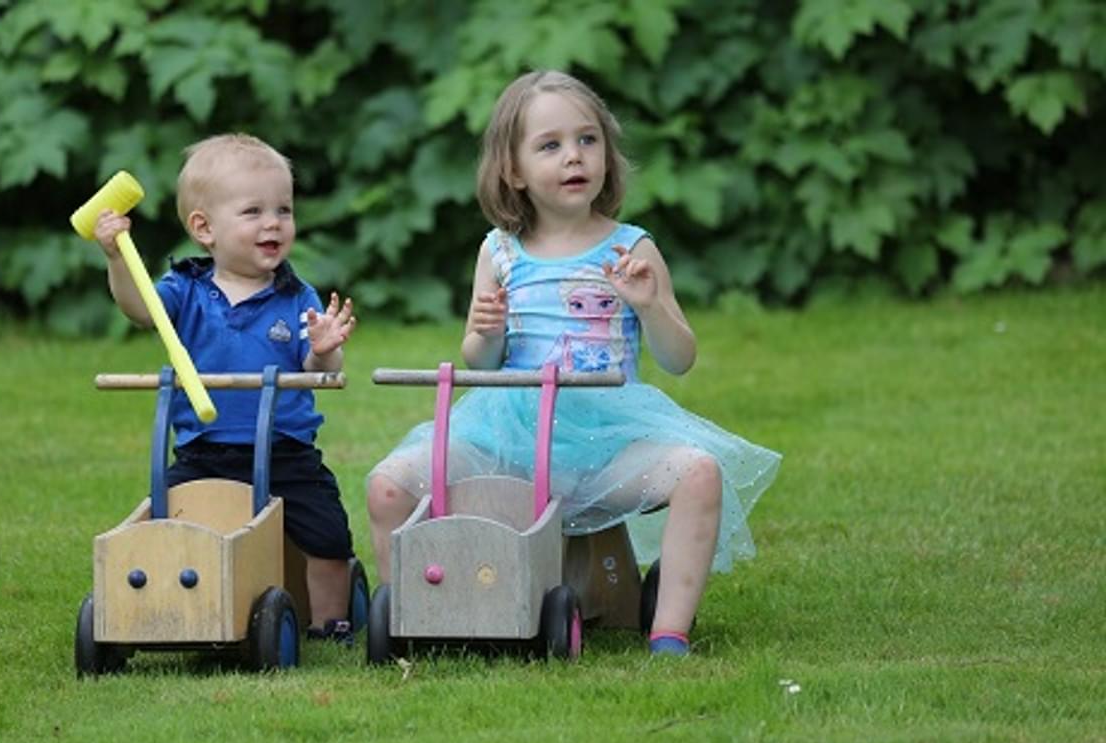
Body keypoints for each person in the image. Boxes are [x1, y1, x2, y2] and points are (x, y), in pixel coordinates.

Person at [365, 71, 781, 656]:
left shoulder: (631, 248)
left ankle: (668, 631)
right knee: (387, 484)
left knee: (700, 473)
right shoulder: (499, 251)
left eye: (588, 140)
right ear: (513, 170)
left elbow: (679, 357)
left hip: (609, 444)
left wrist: (650, 305)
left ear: (607, 155)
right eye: (550, 145)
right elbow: (479, 358)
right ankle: (419, 612)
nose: (573, 157)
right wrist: (484, 331)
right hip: (511, 438)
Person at [93, 133, 358, 643]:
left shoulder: (294, 295)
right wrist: (116, 259)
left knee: (328, 536)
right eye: (254, 211)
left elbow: (315, 366)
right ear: (204, 228)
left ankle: (331, 623)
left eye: (283, 209)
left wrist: (324, 347)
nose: (273, 223)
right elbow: (139, 310)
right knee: (162, 528)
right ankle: (163, 609)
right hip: (203, 451)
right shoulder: (184, 290)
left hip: (286, 451)